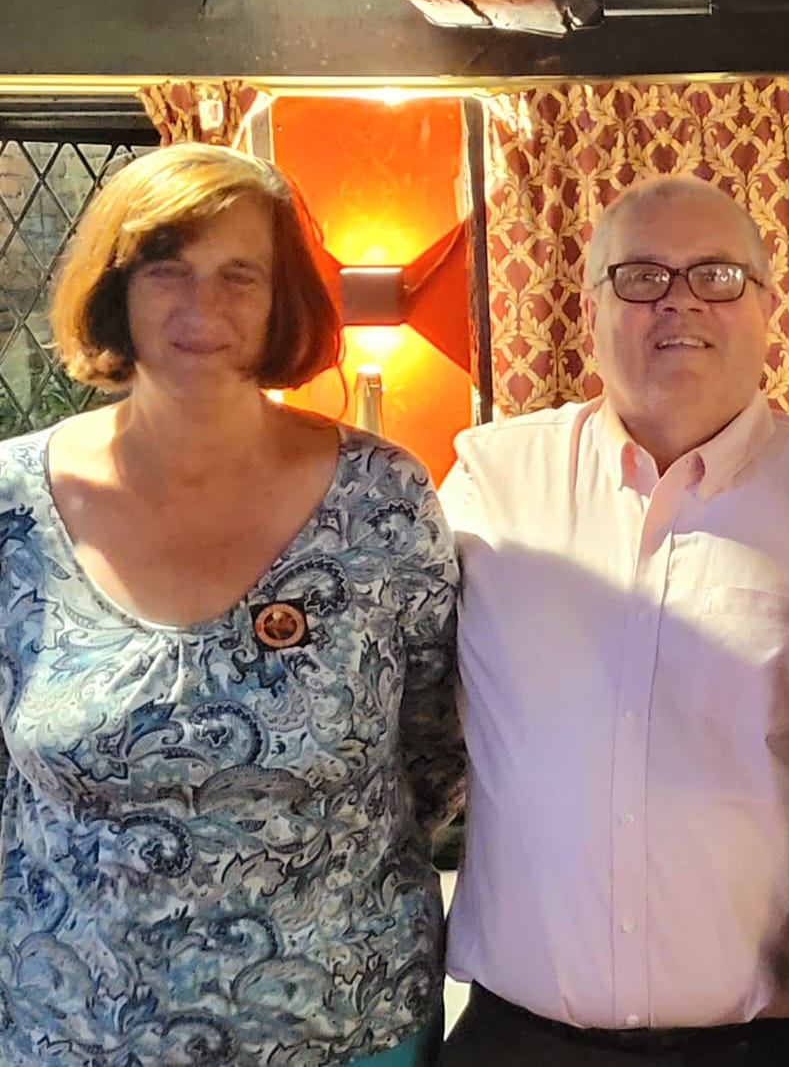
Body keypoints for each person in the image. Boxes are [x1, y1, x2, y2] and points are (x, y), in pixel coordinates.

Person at [437, 175, 789, 1067]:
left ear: (768, 308)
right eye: (641, 276)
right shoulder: (488, 485)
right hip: (519, 1043)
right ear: (590, 307)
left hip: (772, 1047)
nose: (678, 302)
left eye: (716, 276)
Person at [0, 143, 462, 1066]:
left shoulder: (381, 500)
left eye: (238, 274)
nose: (201, 305)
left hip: (348, 1029)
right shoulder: (13, 505)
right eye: (166, 269)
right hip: (72, 1031)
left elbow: (437, 746)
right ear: (114, 289)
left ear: (282, 299)